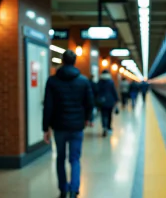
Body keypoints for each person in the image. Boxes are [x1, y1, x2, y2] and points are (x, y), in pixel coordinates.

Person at [42, 50, 94, 198]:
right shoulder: (83, 81)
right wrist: (87, 118)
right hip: (77, 127)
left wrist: (46, 128)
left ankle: (63, 189)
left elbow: (48, 106)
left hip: (59, 127)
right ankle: (74, 189)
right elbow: (89, 103)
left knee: (60, 158)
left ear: (62, 61)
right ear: (75, 62)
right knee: (75, 159)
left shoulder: (52, 81)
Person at [96, 70, 119, 137]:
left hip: (101, 101)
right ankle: (109, 127)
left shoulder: (99, 82)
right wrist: (116, 99)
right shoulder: (111, 82)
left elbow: (97, 91)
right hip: (110, 101)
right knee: (109, 115)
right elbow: (113, 91)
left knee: (103, 115)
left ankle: (104, 127)